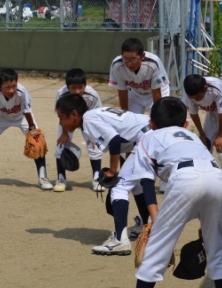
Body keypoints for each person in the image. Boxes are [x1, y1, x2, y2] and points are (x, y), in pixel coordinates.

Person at [133, 97, 222, 288]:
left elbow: (146, 183)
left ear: (151, 123)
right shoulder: (191, 136)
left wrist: (155, 220)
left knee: (155, 251)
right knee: (216, 246)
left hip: (184, 181)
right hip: (217, 179)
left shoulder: (147, 138)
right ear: (185, 124)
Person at [55, 93, 152, 255]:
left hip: (146, 137)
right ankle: (148, 229)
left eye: (61, 117)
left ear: (74, 114)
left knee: (119, 187)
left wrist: (113, 171)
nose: (60, 122)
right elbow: (123, 139)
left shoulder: (89, 120)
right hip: (148, 134)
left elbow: (114, 140)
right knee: (136, 185)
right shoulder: (91, 117)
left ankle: (120, 240)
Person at [0, 68, 53, 190]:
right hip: (2, 117)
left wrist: (32, 129)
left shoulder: (21, 92)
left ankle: (43, 177)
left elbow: (27, 111)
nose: (12, 90)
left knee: (37, 140)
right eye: (7, 87)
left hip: (22, 117)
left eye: (14, 86)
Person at [182, 74, 222, 199]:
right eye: (193, 98)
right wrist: (201, 134)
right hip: (213, 110)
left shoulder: (218, 89)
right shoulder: (188, 92)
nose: (196, 100)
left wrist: (220, 135)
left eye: (198, 97)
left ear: (205, 88)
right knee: (205, 143)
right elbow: (193, 113)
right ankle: (206, 183)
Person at [54, 68, 103, 192]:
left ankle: (97, 178)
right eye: (73, 88)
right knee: (60, 145)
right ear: (67, 87)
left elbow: (98, 115)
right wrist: (65, 133)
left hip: (88, 121)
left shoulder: (92, 96)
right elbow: (61, 116)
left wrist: (92, 135)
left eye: (80, 87)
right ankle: (61, 178)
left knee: (94, 146)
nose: (77, 91)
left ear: (85, 86)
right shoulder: (61, 94)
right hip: (69, 120)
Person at [108, 37, 170, 114]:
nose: (129, 63)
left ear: (142, 56)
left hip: (157, 91)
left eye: (133, 59)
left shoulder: (153, 63)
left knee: (158, 118)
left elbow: (156, 91)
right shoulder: (117, 65)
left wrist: (157, 115)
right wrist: (125, 115)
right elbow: (122, 92)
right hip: (135, 93)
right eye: (125, 59)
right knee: (131, 120)